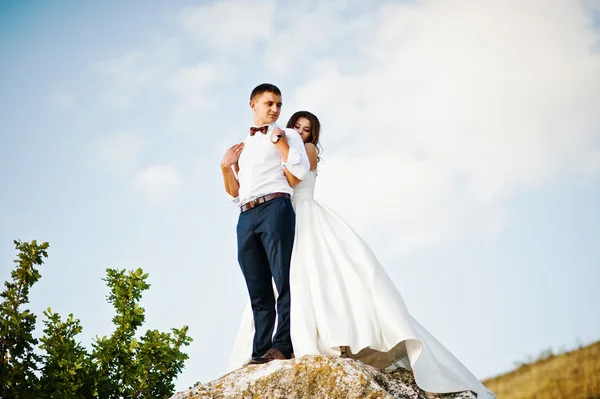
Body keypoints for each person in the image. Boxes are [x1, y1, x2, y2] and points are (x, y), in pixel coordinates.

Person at [229, 111, 496, 399]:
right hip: (281, 218)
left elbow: (293, 180)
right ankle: (282, 339)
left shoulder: (302, 151)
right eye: (297, 126)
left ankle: (321, 338)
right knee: (286, 281)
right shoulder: (282, 149)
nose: (301, 132)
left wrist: (280, 145)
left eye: (307, 130)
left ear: (312, 136)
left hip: (303, 216)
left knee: (310, 277)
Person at [220, 84, 310, 365]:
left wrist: (279, 141)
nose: (275, 109)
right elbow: (234, 192)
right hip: (246, 215)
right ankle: (260, 350)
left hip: (275, 207)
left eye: (279, 105)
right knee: (256, 285)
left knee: (283, 278)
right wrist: (225, 167)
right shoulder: (243, 146)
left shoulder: (289, 134)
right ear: (253, 105)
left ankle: (282, 344)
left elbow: (299, 172)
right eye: (269, 103)